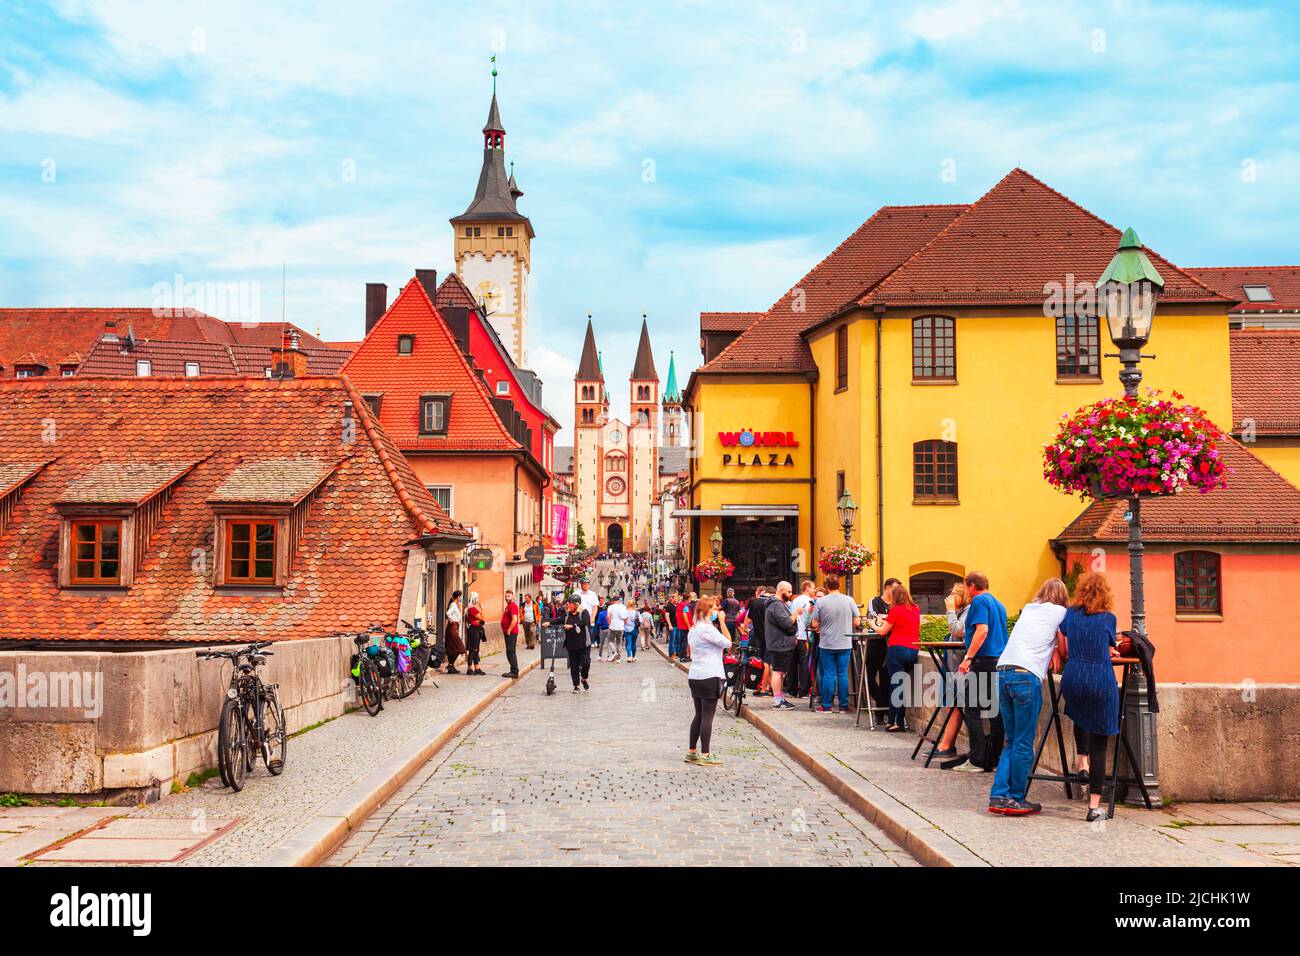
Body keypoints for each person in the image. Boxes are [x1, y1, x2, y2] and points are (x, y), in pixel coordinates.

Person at [988, 578, 1070, 816]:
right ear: (1063, 596)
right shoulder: (1062, 613)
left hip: (1003, 672)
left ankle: (998, 796)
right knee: (1024, 741)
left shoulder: (1029, 609)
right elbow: (1065, 650)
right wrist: (1056, 649)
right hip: (1026, 675)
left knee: (1011, 741)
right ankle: (1015, 798)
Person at [1058, 573, 1122, 822]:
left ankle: (1081, 763)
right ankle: (1094, 807)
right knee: (1100, 742)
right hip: (1099, 678)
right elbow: (1107, 645)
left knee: (1080, 714)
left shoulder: (1071, 615)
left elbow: (1063, 639)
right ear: (1105, 594)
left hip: (1073, 676)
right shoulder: (1108, 618)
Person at [951, 571, 1009, 772]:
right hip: (998, 662)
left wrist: (968, 658)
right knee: (995, 712)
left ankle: (977, 759)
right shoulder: (998, 603)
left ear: (972, 586)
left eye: (966, 587)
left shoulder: (979, 602)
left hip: (983, 662)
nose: (966, 591)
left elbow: (982, 630)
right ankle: (992, 759)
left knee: (972, 710)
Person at [684, 596, 729, 767]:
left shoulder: (693, 629)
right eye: (714, 609)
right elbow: (727, 643)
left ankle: (692, 752)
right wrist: (723, 623)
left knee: (699, 714)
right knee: (708, 716)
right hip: (710, 674)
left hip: (695, 675)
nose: (716, 611)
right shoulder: (708, 629)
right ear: (707, 611)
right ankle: (706, 753)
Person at [869, 582, 920, 730]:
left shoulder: (896, 610)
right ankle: (891, 721)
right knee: (898, 685)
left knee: (897, 687)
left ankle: (898, 723)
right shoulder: (916, 609)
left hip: (897, 650)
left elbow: (882, 632)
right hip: (913, 650)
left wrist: (872, 624)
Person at [810, 575, 860, 714]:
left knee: (828, 675)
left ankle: (827, 705)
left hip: (827, 643)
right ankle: (843, 706)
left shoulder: (821, 602)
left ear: (826, 587)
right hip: (844, 642)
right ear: (839, 585)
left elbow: (814, 623)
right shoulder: (849, 600)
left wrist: (823, 625)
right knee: (842, 674)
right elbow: (857, 622)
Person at [934, 582, 971, 758]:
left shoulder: (968, 610)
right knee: (950, 704)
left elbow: (957, 630)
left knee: (955, 704)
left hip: (958, 665)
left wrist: (949, 610)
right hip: (951, 663)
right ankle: (947, 743)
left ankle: (947, 745)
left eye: (954, 594)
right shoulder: (961, 611)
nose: (950, 598)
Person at [863, 578, 900, 715]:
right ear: (887, 588)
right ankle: (880, 701)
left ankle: (880, 714)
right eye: (894, 589)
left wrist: (883, 619)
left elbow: (891, 622)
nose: (897, 592)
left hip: (889, 645)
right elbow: (872, 619)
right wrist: (885, 620)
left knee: (886, 679)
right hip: (875, 643)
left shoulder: (897, 605)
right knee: (869, 677)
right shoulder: (875, 601)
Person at [763, 580, 800, 711]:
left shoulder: (776, 604)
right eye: (788, 591)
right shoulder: (777, 605)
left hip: (778, 643)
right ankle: (778, 701)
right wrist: (795, 614)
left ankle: (780, 698)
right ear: (781, 591)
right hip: (779, 644)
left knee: (779, 671)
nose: (790, 594)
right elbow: (786, 623)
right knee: (778, 672)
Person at [789, 580, 816, 699]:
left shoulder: (795, 600)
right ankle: (804, 690)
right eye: (813, 588)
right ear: (807, 588)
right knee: (804, 663)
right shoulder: (809, 601)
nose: (814, 590)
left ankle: (792, 689)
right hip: (804, 635)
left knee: (793, 664)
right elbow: (812, 618)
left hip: (794, 635)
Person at [560, 596, 592, 693]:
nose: (568, 605)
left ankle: (584, 678)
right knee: (574, 666)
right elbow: (559, 620)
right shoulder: (566, 614)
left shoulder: (584, 613)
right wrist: (549, 622)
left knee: (586, 663)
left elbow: (584, 622)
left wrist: (573, 626)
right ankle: (576, 685)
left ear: (576, 604)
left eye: (569, 603)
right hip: (572, 643)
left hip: (584, 643)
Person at [444, 590, 466, 674]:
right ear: (458, 597)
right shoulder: (453, 605)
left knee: (451, 648)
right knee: (460, 647)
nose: (461, 598)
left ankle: (451, 666)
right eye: (460, 597)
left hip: (453, 627)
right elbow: (448, 613)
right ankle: (450, 665)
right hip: (453, 627)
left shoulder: (453, 604)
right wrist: (451, 620)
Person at [501, 589, 521, 679]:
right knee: (510, 651)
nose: (506, 598)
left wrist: (509, 629)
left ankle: (514, 672)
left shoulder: (512, 606)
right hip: (508, 632)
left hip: (511, 632)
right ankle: (513, 670)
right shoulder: (508, 606)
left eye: (508, 596)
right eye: (505, 596)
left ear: (512, 597)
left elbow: (515, 619)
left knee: (511, 652)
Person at [464, 593, 486, 676]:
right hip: (474, 631)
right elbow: (482, 618)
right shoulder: (472, 609)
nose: (478, 600)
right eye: (477, 598)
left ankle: (477, 668)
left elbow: (480, 620)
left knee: (476, 650)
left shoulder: (471, 609)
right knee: (473, 650)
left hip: (475, 630)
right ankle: (469, 668)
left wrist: (479, 620)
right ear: (475, 599)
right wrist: (483, 609)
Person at [577, 579, 600, 649]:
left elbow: (595, 607)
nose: (586, 585)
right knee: (578, 638)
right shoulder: (576, 594)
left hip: (588, 620)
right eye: (584, 584)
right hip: (578, 619)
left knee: (588, 638)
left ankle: (586, 655)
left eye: (587, 584)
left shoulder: (593, 594)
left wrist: (593, 617)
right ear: (581, 584)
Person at [604, 593, 626, 662]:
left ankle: (614, 652)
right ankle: (618, 659)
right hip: (621, 627)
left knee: (610, 640)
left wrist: (609, 623)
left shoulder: (610, 607)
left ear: (613, 600)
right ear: (619, 601)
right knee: (619, 643)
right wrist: (623, 624)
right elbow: (625, 618)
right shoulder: (623, 607)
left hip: (613, 627)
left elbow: (608, 616)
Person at [623, 597, 640, 662]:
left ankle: (629, 656)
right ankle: (634, 656)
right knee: (634, 643)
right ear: (633, 605)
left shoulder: (625, 612)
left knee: (628, 643)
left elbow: (623, 620)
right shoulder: (636, 612)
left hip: (626, 629)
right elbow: (641, 620)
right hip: (634, 629)